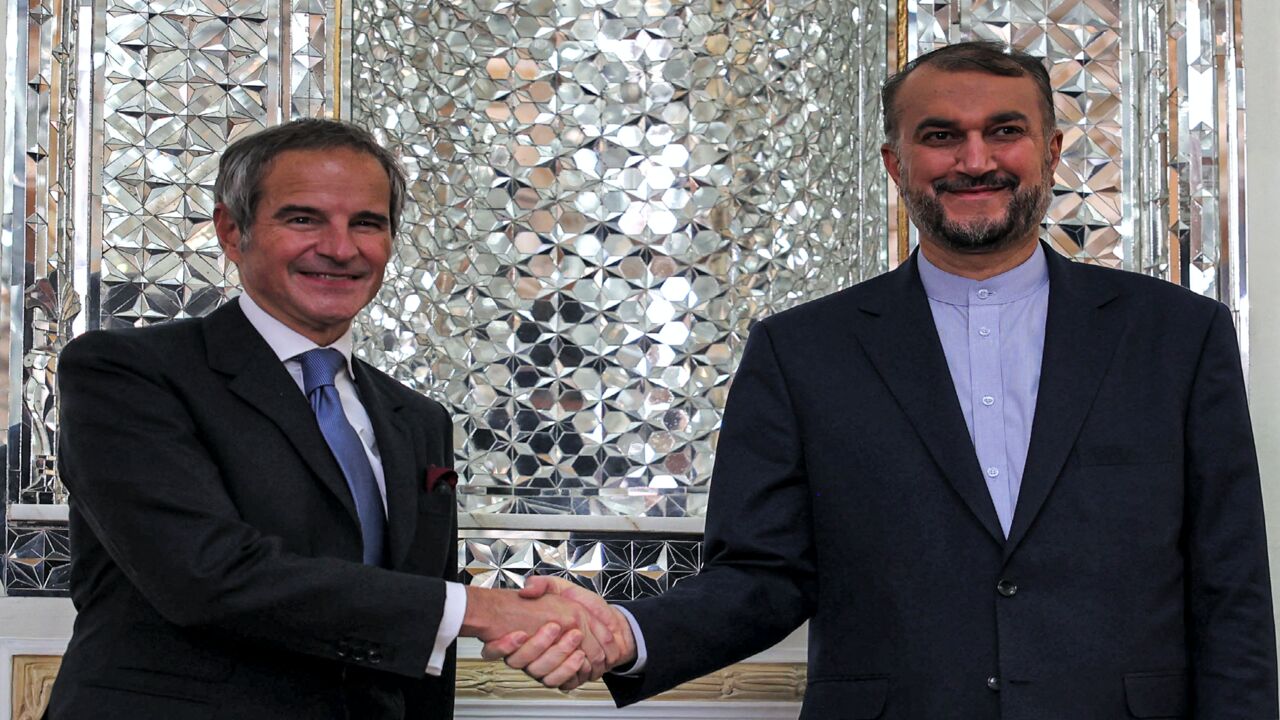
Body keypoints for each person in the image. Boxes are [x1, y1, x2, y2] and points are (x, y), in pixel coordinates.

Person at [491, 41, 1280, 718]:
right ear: (895, 163)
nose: (975, 160)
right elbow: (762, 578)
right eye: (942, 136)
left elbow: (1230, 585)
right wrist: (629, 634)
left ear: (1051, 151)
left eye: (1004, 132)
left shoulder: (1177, 334)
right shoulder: (802, 351)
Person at [45, 118, 618, 719]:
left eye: (367, 223)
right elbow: (206, 575)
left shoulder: (416, 419)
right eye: (303, 219)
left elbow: (418, 651)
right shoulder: (127, 372)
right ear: (232, 232)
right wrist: (481, 608)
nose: (341, 248)